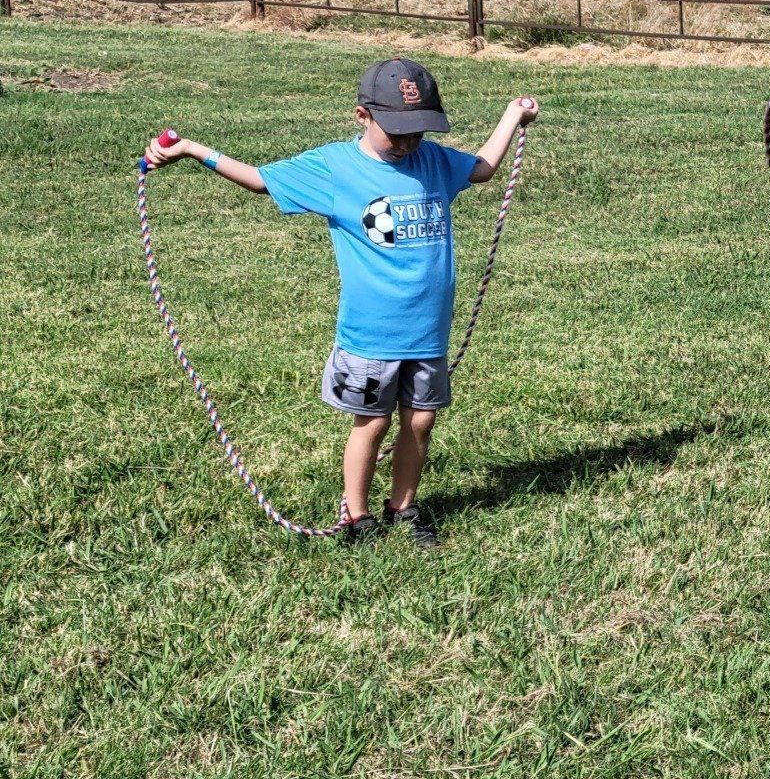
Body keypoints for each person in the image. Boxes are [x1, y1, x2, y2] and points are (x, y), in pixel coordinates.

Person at [142, 58, 539, 546]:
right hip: (371, 335)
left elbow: (482, 168)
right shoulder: (335, 168)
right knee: (372, 423)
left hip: (428, 332)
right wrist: (191, 150)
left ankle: (404, 507)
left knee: (421, 421)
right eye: (398, 132)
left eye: (418, 130)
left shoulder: (433, 161)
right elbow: (259, 179)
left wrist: (512, 114)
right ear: (362, 116)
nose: (409, 142)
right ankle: (357, 514)